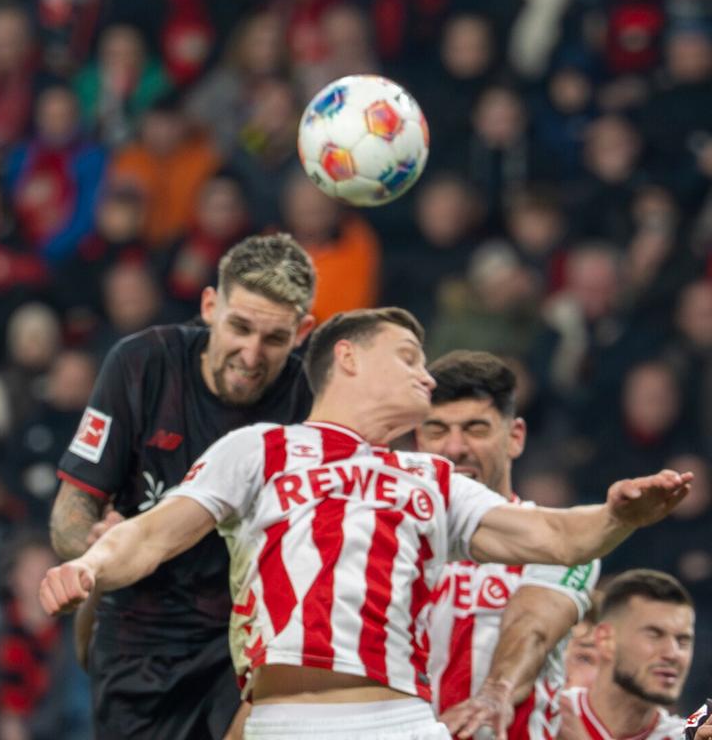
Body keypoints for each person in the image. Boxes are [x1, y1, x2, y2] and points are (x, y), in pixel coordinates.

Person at [40, 307, 693, 740]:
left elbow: (555, 538)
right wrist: (89, 565)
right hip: (280, 720)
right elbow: (151, 534)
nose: (425, 376)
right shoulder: (259, 449)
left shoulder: (430, 478)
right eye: (409, 357)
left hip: (398, 720)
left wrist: (616, 515)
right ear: (348, 358)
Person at [48, 233, 316, 739]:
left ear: (302, 332)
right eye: (240, 327)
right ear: (210, 306)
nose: (252, 354)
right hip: (141, 639)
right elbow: (71, 510)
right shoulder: (141, 364)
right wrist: (93, 544)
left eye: (274, 338)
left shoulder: (309, 400)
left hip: (247, 645)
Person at [413, 350, 600, 740]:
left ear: (515, 438)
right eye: (437, 430)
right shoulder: (394, 538)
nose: (454, 448)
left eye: (476, 429)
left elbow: (533, 628)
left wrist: (496, 690)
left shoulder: (557, 543)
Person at [558, 569, 695, 740]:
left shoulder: (688, 736)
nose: (672, 654)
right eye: (654, 635)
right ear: (606, 639)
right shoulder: (546, 715)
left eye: (683, 641)